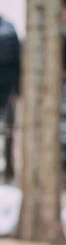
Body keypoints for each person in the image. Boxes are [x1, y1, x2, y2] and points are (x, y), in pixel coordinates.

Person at [0, 14, 20, 179]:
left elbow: (16, 62)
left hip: (7, 89)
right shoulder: (10, 30)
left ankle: (8, 168)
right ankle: (7, 169)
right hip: (8, 88)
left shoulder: (9, 31)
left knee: (7, 130)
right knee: (7, 130)